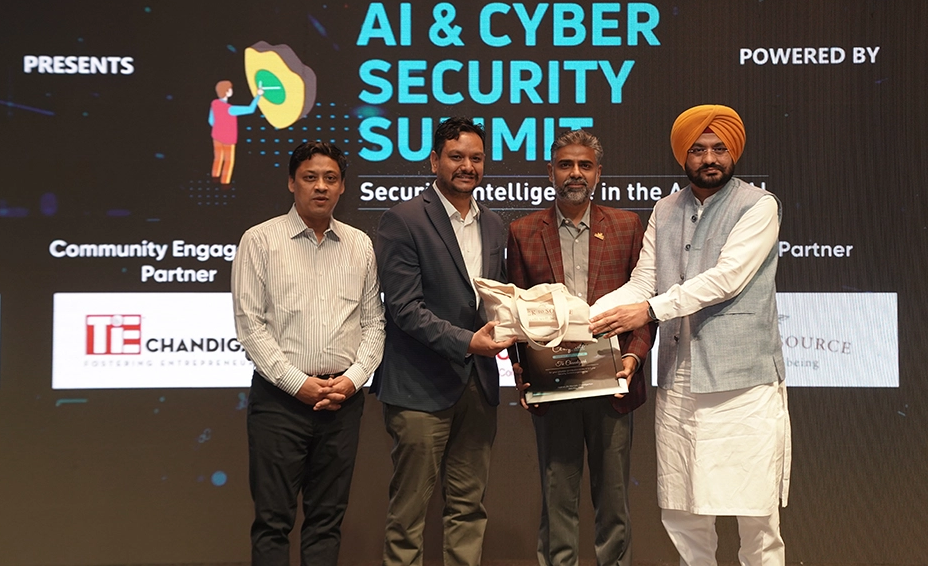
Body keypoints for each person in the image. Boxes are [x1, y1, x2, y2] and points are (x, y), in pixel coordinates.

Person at [589, 105, 790, 566]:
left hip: (742, 382)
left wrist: (649, 310)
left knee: (756, 514)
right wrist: (580, 315)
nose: (709, 158)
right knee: (683, 510)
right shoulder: (665, 209)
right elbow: (644, 281)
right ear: (683, 156)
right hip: (680, 378)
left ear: (733, 152)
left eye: (719, 148)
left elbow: (727, 279)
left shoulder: (759, 206)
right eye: (698, 150)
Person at [232, 141, 385, 566]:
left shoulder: (359, 245)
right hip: (279, 402)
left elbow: (375, 323)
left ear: (342, 187)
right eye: (310, 177)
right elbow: (250, 326)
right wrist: (298, 384)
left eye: (330, 178)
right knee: (273, 521)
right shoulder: (259, 241)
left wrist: (352, 380)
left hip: (342, 402)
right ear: (291, 183)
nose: (321, 186)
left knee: (326, 522)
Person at [506, 130, 653, 566]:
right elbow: (516, 314)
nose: (575, 173)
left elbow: (645, 303)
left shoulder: (626, 226)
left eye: (584, 165)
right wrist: (523, 374)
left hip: (614, 382)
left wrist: (634, 357)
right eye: (566, 165)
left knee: (614, 501)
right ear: (550, 172)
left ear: (598, 173)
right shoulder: (523, 232)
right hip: (554, 385)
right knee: (557, 499)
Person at [373, 117, 510, 566]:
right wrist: (468, 342)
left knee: (469, 508)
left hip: (479, 386)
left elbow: (495, 299)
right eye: (456, 156)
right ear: (434, 161)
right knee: (408, 513)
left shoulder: (495, 225)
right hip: (419, 388)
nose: (467, 166)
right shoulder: (403, 220)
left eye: (476, 158)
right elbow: (404, 309)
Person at [209, 79, 263, 185]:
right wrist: (258, 95)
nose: (231, 90)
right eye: (230, 89)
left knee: (218, 157)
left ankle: (215, 177)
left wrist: (219, 128)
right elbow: (250, 109)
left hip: (216, 136)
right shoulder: (230, 109)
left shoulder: (214, 103)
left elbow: (211, 121)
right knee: (228, 161)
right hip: (228, 139)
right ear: (227, 92)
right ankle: (225, 182)